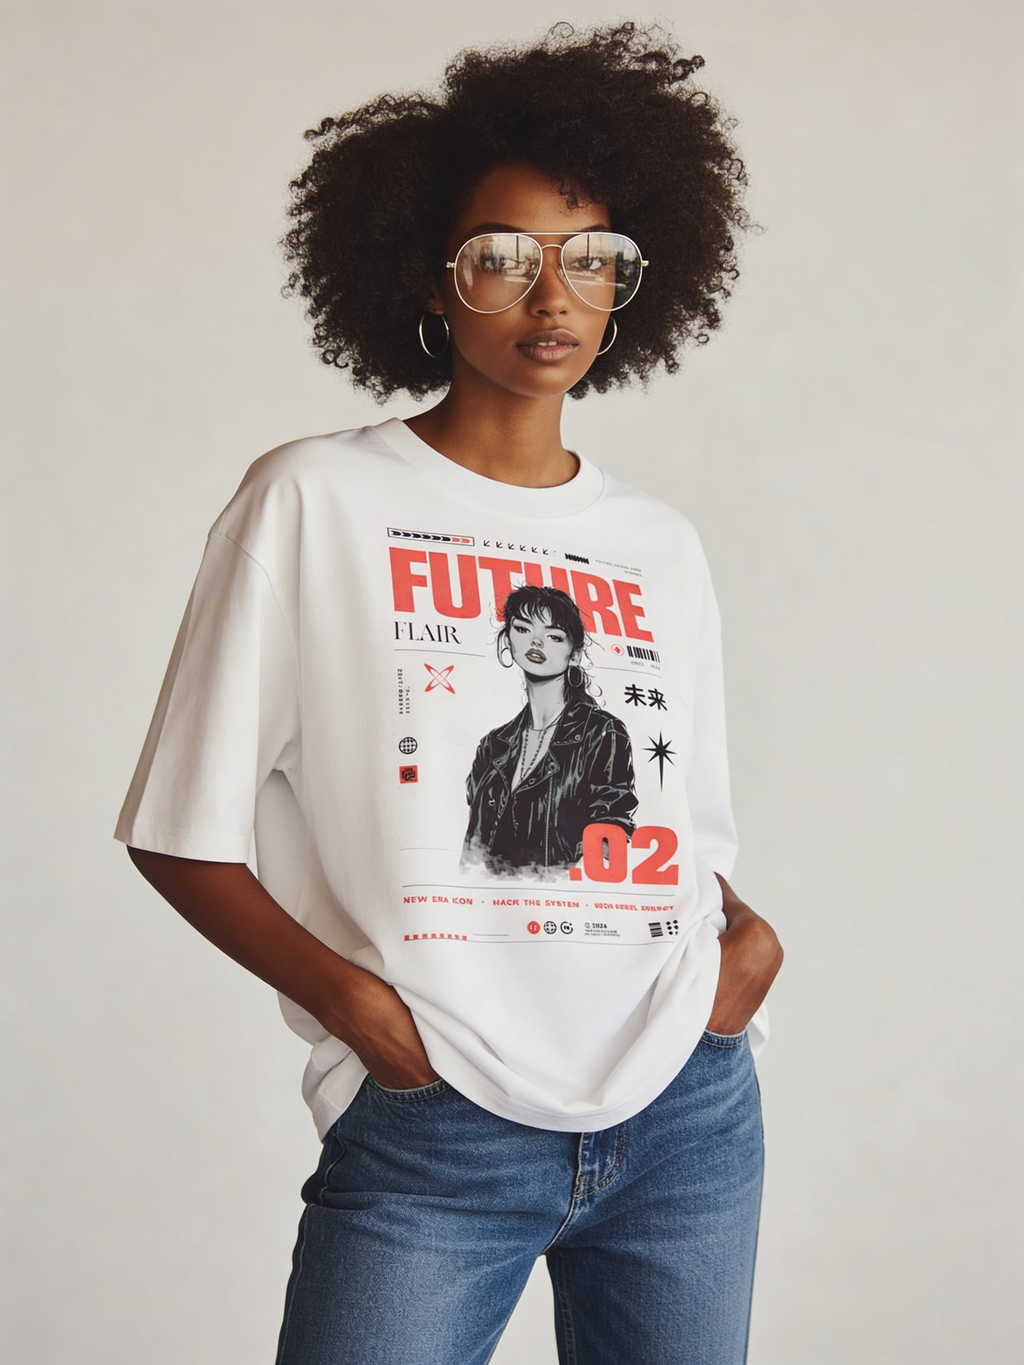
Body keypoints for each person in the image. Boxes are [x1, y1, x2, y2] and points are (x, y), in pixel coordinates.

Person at [116, 22, 783, 1365]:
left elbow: (683, 829)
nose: (552, 296)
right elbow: (178, 831)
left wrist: (742, 964)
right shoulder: (312, 499)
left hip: (685, 1110)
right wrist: (357, 1009)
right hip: (439, 1126)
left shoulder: (657, 543)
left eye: (590, 257)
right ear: (430, 275)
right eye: (502, 257)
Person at [463, 584, 637, 875]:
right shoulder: (493, 745)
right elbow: (475, 846)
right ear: (507, 640)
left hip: (562, 895)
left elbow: (611, 832)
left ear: (575, 654)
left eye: (554, 636)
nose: (536, 642)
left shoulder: (602, 733)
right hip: (486, 897)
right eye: (523, 629)